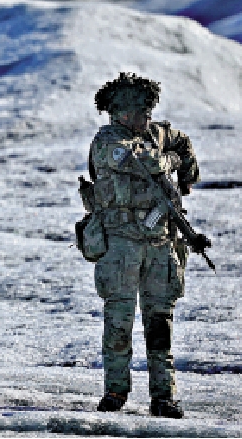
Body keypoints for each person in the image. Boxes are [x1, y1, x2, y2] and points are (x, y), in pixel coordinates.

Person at [88, 72, 201, 418]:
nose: (147, 118)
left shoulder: (156, 134)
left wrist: (184, 169)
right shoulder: (108, 141)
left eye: (149, 111)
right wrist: (172, 161)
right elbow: (143, 162)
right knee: (119, 321)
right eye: (140, 111)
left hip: (160, 243)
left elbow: (181, 145)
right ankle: (115, 391)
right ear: (121, 113)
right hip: (121, 244)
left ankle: (163, 396)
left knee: (160, 322)